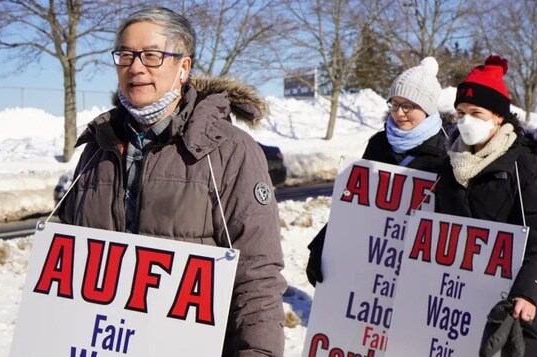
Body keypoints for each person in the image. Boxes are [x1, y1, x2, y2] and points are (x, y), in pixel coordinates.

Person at [57, 7, 286, 356]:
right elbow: (67, 264)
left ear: (183, 68)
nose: (135, 67)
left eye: (152, 56)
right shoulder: (97, 148)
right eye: (125, 56)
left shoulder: (229, 151)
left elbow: (256, 277)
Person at [434, 55, 537, 357]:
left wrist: (527, 292)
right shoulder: (448, 166)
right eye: (460, 113)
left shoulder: (527, 167)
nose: (465, 121)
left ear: (499, 117)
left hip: (508, 310)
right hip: (452, 306)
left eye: (476, 113)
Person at [306, 56, 447, 286]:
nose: (399, 113)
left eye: (408, 106)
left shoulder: (445, 153)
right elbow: (352, 203)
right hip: (373, 257)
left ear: (427, 107)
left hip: (417, 265)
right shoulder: (379, 144)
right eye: (394, 104)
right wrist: (322, 245)